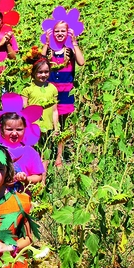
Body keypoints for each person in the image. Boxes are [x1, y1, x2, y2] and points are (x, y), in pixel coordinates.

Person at [41, 19, 85, 166]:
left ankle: (58, 157)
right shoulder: (50, 50)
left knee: (62, 124)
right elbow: (40, 60)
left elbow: (81, 62)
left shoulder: (70, 49)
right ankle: (46, 152)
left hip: (66, 92)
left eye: (63, 31)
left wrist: (75, 42)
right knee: (48, 123)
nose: (60, 34)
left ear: (68, 33)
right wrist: (46, 43)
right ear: (52, 33)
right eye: (57, 31)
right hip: (50, 92)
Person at [0, 113, 45, 187]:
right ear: (1, 130)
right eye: (9, 129)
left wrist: (25, 179)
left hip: (22, 195)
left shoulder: (30, 152)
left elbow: (38, 176)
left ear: (25, 130)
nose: (14, 133)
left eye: (19, 129)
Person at [21, 58, 59, 135]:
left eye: (46, 72)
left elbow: (54, 111)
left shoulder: (52, 88)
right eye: (40, 72)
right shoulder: (27, 89)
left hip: (48, 128)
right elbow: (24, 110)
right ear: (33, 72)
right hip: (32, 127)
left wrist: (56, 128)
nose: (43, 75)